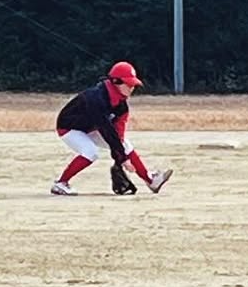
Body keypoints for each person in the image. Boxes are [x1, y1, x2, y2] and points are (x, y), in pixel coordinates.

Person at [50, 61, 173, 196]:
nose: (132, 88)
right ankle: (60, 183)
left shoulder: (121, 106)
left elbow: (118, 135)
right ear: (116, 81)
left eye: (133, 85)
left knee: (125, 144)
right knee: (91, 152)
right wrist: (123, 159)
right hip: (68, 127)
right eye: (129, 84)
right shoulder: (96, 98)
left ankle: (150, 180)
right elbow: (106, 129)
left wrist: (119, 159)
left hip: (90, 128)